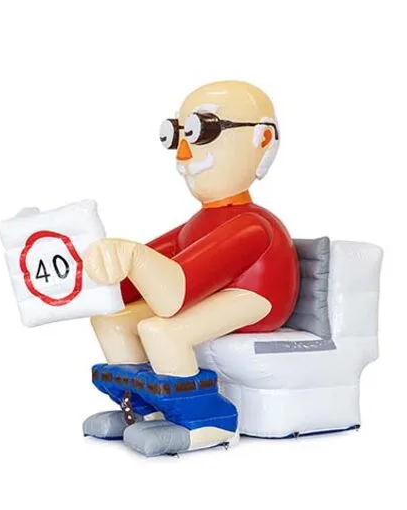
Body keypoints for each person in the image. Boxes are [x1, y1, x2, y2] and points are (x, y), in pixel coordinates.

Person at [83, 81, 299, 455]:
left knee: (163, 331)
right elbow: (151, 276)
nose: (183, 152)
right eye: (177, 134)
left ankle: (208, 422)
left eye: (202, 131)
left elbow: (174, 296)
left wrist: (132, 256)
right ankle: (145, 408)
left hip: (257, 298)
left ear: (262, 139)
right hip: (217, 290)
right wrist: (102, 274)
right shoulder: (198, 224)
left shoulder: (252, 225)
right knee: (111, 321)